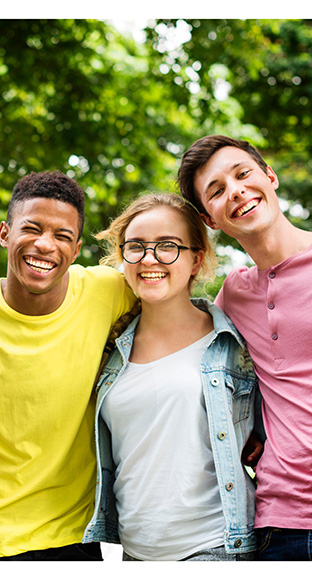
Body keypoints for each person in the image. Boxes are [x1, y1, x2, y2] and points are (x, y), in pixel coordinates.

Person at [0, 170, 136, 560]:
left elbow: (178, 314)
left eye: (62, 236)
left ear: (77, 247)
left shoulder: (109, 291)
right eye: (32, 229)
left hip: (75, 535)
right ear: (5, 234)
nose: (45, 245)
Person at [82, 192, 257, 561]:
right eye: (136, 247)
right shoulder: (108, 349)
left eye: (167, 246)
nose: (149, 259)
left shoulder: (231, 344)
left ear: (196, 259)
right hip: (133, 555)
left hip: (214, 548)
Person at [178, 135, 312, 561]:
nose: (234, 191)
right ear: (211, 219)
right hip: (280, 522)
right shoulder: (233, 295)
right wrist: (250, 423)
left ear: (269, 176)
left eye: (242, 174)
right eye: (216, 191)